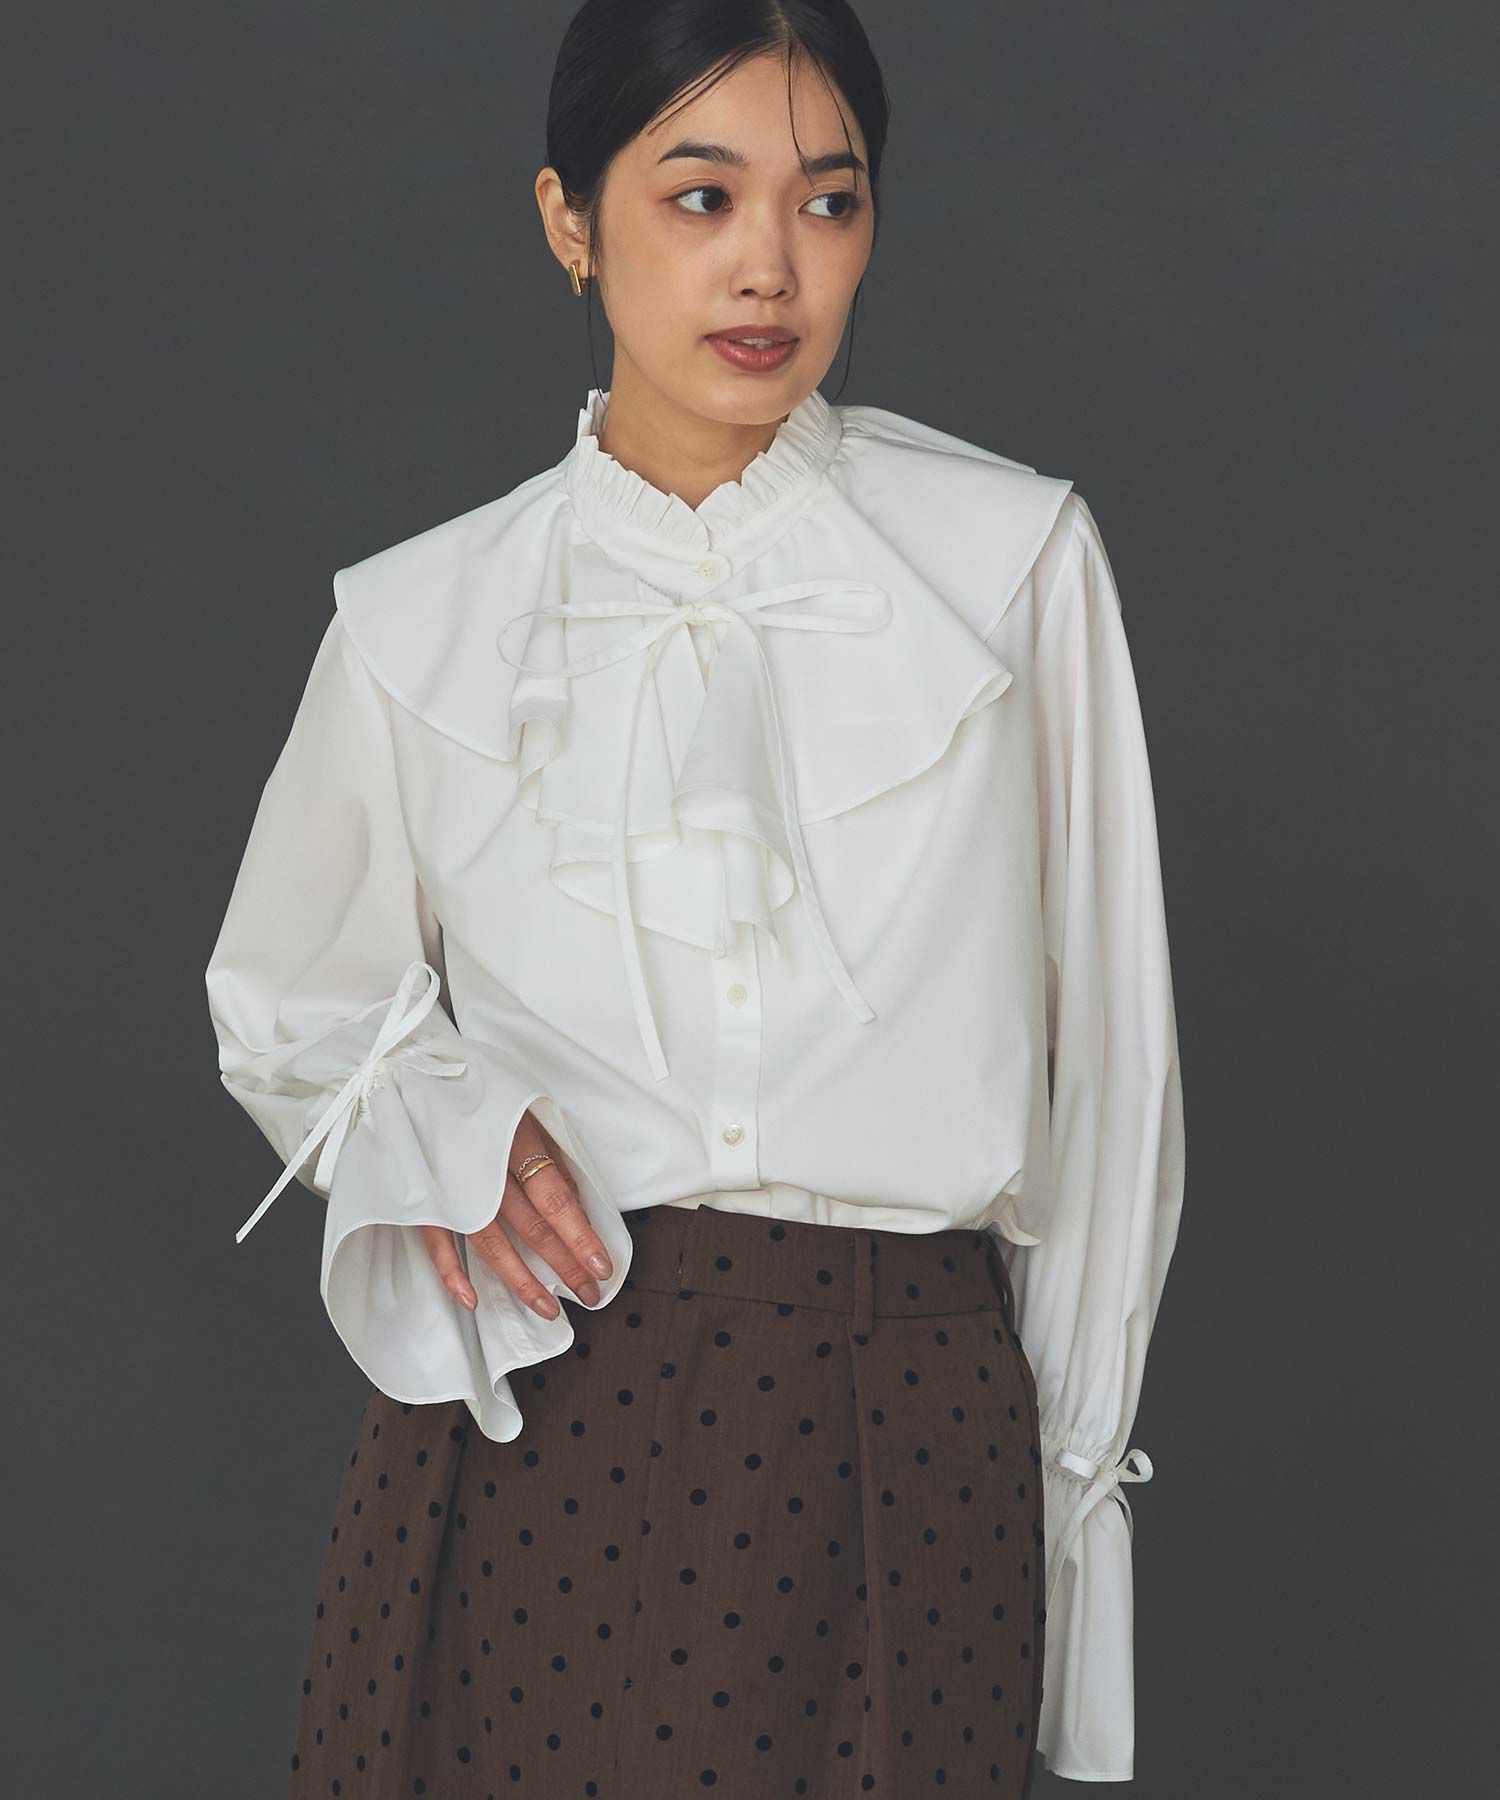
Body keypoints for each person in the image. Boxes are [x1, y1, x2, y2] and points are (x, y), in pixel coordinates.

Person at [204, 2, 1185, 1793]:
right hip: (537, 1435)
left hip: (906, 1424)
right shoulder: (426, 615)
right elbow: (287, 1004)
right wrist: (454, 1127)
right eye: (700, 195)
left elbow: (1114, 1082)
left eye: (829, 201)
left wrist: (1058, 1498)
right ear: (570, 221)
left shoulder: (1010, 564)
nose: (768, 266)